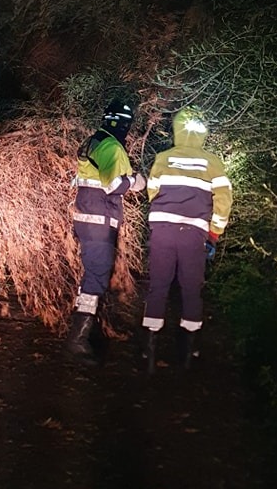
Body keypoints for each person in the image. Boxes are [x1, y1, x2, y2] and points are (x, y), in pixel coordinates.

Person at [142, 105, 232, 372]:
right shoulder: (213, 162)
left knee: (158, 286)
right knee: (191, 289)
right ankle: (187, 356)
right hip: (194, 233)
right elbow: (224, 201)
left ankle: (148, 352)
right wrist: (214, 233)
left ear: (177, 129)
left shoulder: (163, 158)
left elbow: (152, 190)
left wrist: (164, 216)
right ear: (203, 131)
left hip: (163, 230)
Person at [66, 98, 146, 364]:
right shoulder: (111, 146)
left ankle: (82, 333)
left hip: (87, 218)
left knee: (93, 274)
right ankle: (77, 342)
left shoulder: (93, 141)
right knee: (97, 276)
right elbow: (113, 184)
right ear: (125, 124)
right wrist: (138, 182)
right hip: (99, 221)